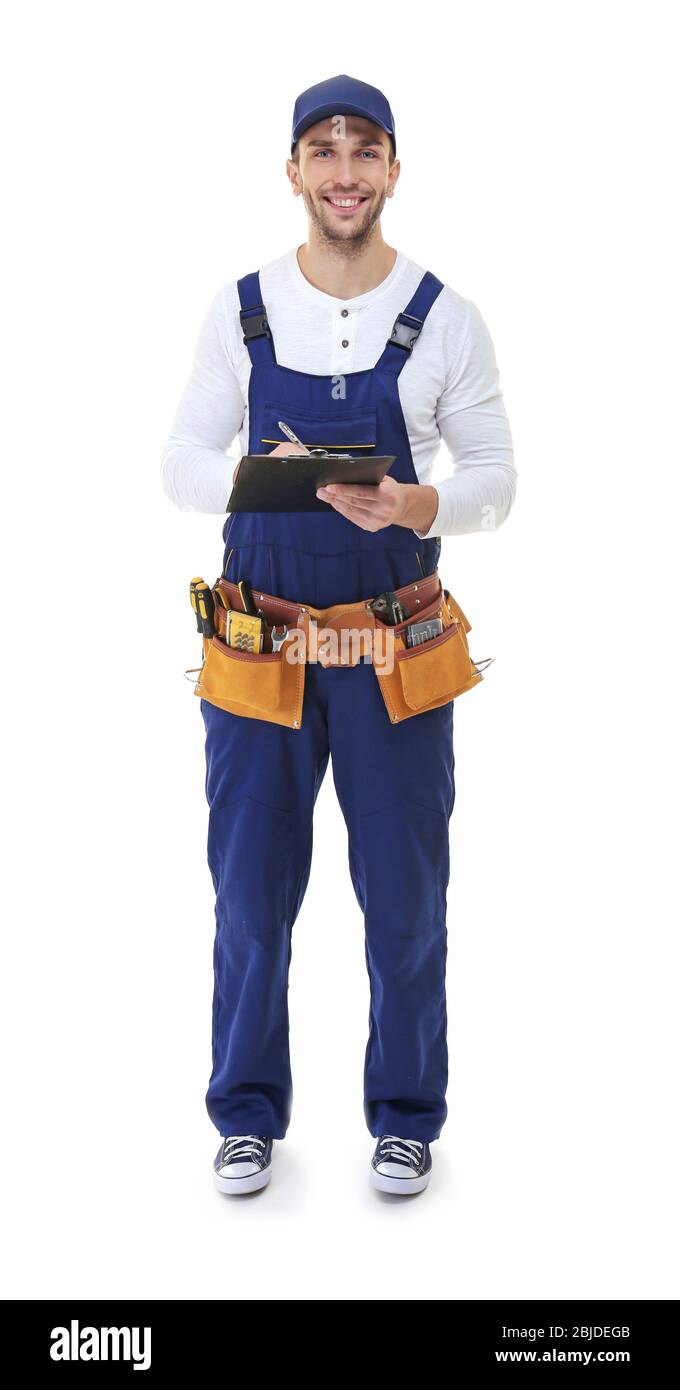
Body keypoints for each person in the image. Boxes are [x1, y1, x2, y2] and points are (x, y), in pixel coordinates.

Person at [161, 74, 516, 1197]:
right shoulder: (241, 309)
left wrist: (420, 505)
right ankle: (245, 1112)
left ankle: (405, 1113)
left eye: (366, 151)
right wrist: (257, 481)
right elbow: (176, 462)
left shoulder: (445, 316)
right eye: (324, 150)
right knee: (249, 895)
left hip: (392, 650)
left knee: (406, 895)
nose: (345, 170)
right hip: (260, 651)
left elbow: (498, 482)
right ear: (294, 172)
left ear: (393, 171)